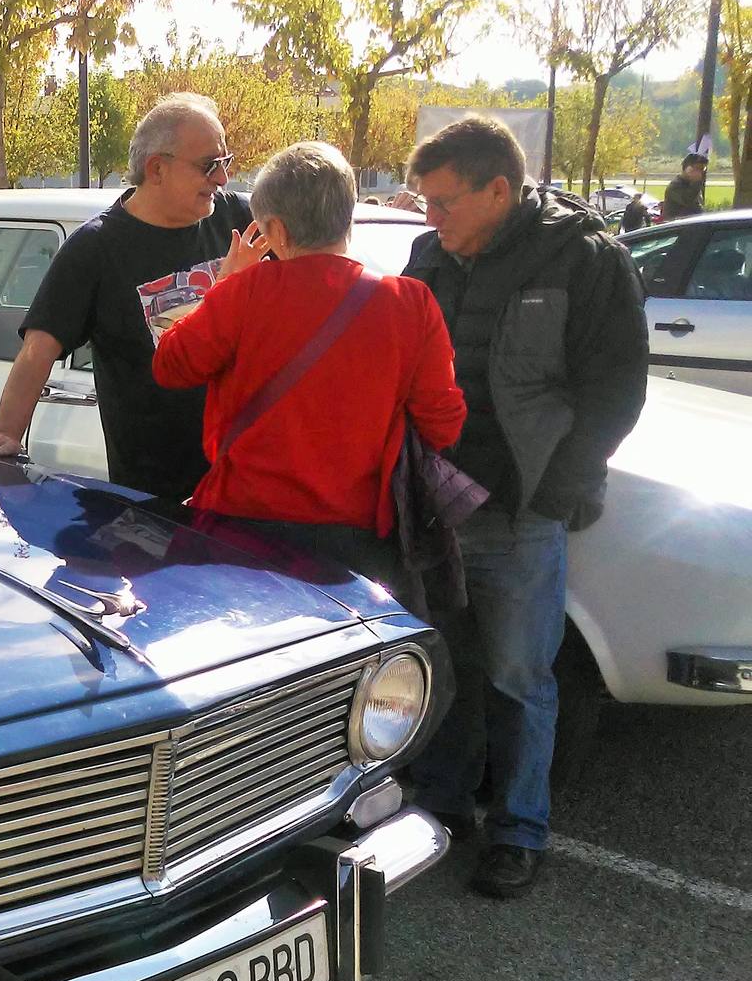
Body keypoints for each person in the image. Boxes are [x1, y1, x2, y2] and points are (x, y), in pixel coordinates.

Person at [401, 116, 648, 900]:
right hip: (436, 506)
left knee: (519, 676)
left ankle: (518, 831)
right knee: (444, 667)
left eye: (442, 202)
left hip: (520, 513)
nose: (429, 219)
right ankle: (439, 811)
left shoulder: (583, 257)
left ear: (498, 190)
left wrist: (558, 489)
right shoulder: (427, 255)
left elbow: (616, 390)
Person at [151, 141, 465, 607]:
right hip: (358, 539)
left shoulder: (244, 293)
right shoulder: (410, 302)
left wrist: (225, 283)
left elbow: (171, 366)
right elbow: (444, 423)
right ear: (347, 217)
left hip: (243, 527)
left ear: (276, 228)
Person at [0, 93, 256, 502]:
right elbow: (38, 349)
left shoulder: (239, 219)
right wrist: (8, 435)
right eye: (210, 166)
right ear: (157, 168)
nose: (223, 179)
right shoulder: (97, 248)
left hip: (245, 483)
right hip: (156, 503)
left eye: (225, 163)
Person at [662, 154, 708, 220]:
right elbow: (688, 200)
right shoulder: (675, 186)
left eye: (702, 170)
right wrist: (696, 182)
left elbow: (698, 208)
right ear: (688, 169)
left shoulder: (693, 185)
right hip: (676, 227)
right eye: (698, 169)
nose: (701, 173)